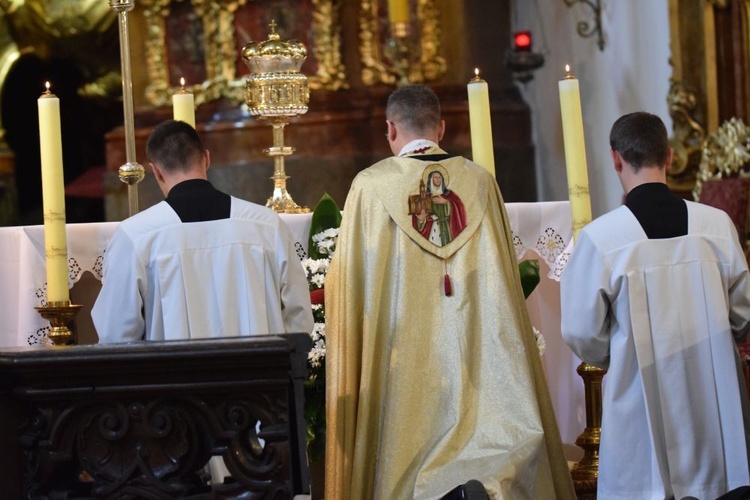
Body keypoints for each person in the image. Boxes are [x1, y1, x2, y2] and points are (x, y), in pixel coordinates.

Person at [325, 85, 575, 499]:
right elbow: (504, 283)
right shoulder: (478, 182)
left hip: (402, 354)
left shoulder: (370, 187)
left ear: (390, 129)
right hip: (475, 344)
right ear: (441, 127)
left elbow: (347, 284)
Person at [561, 111, 750, 499]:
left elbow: (581, 331)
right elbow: (743, 313)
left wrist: (615, 354)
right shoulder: (716, 226)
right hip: (714, 410)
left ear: (615, 159)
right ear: (668, 155)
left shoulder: (602, 238)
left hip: (638, 400)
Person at [92, 119, 313, 343]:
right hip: (261, 373)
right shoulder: (266, 225)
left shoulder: (136, 235)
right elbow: (298, 316)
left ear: (156, 172)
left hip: (174, 375)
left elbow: (116, 332)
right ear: (206, 159)